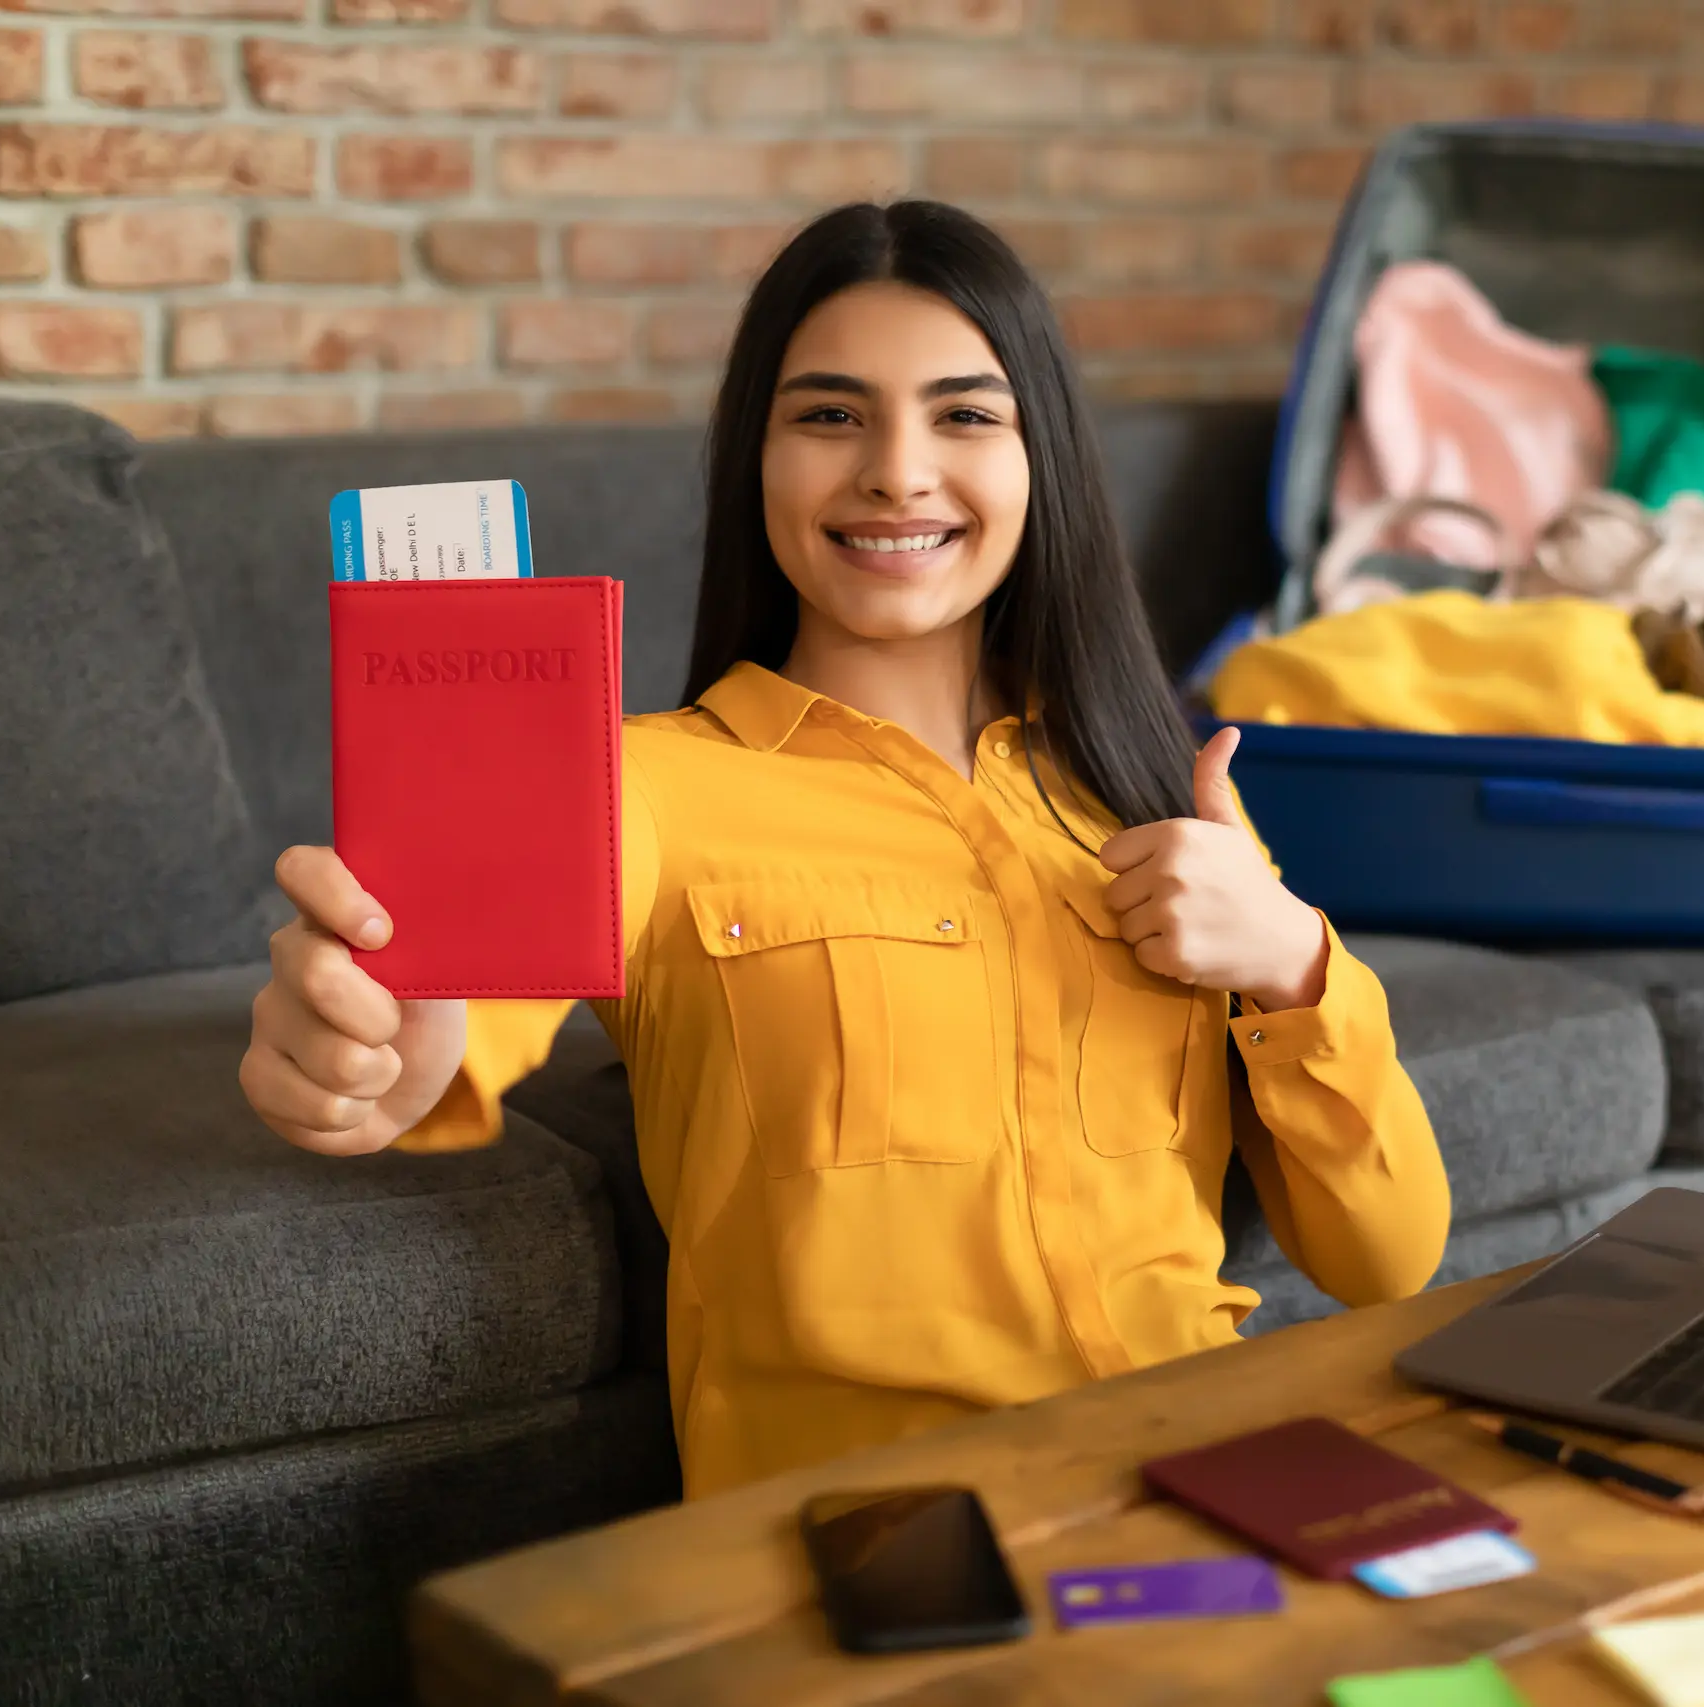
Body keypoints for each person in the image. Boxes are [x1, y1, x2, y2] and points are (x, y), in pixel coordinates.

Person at [237, 200, 1452, 1499]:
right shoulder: (637, 784)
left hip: (1203, 1488)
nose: (897, 471)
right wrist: (367, 1049)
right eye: (830, 415)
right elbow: (455, 1000)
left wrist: (1290, 959)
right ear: (755, 461)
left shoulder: (1161, 795)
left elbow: (1387, 1256)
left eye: (965, 414)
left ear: (1043, 460)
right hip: (888, 1542)